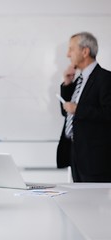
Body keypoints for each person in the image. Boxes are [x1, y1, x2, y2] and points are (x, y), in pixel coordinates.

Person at [56, 32, 111, 182]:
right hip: (76, 155)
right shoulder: (79, 79)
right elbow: (66, 112)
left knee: (94, 203)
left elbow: (108, 114)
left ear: (85, 52)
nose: (68, 55)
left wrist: (77, 109)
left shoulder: (105, 79)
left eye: (71, 49)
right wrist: (67, 84)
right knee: (79, 203)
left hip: (95, 159)